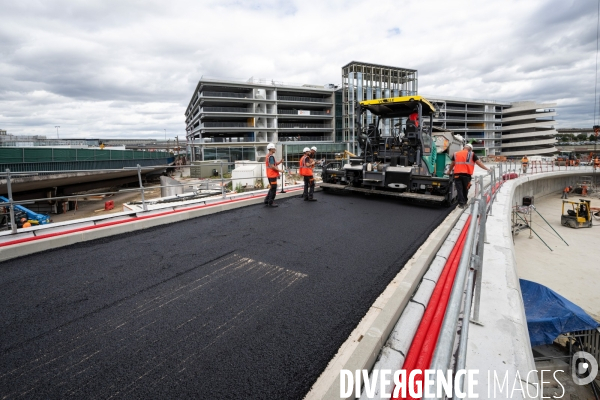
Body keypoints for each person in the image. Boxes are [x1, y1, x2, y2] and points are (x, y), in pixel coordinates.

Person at [448, 143, 490, 208]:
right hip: (467, 175)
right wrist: (487, 169)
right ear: (470, 149)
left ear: (464, 147)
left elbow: (452, 164)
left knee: (459, 189)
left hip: (457, 175)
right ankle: (464, 202)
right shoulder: (472, 154)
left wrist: (449, 171)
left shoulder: (456, 154)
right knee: (466, 189)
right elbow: (479, 163)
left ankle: (461, 204)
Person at [264, 143, 283, 207]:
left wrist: (279, 162)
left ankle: (267, 200)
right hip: (272, 175)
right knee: (273, 188)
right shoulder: (271, 156)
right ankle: (271, 202)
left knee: (272, 188)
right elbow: (272, 166)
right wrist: (280, 170)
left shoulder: (268, 156)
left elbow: (273, 164)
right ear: (271, 149)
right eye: (274, 148)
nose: (275, 149)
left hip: (270, 175)